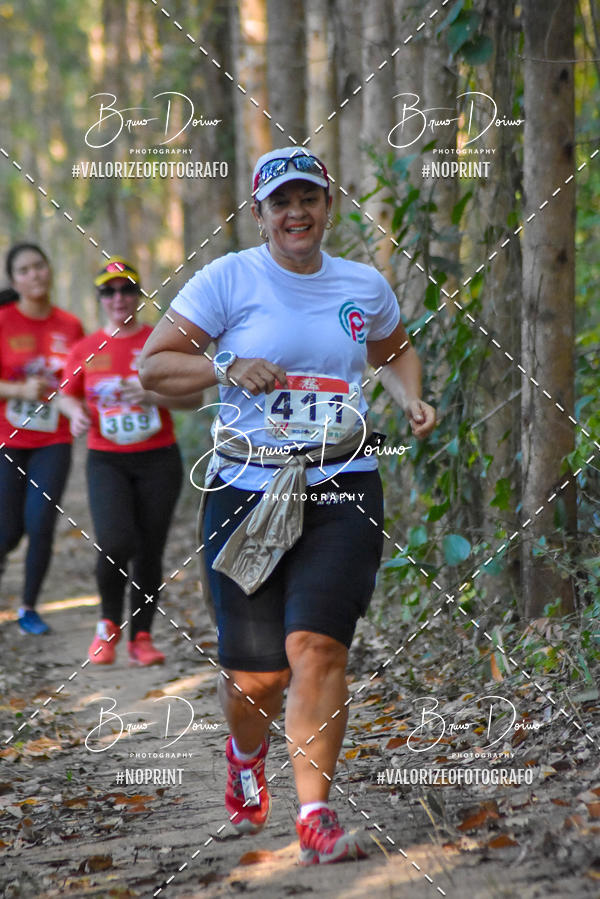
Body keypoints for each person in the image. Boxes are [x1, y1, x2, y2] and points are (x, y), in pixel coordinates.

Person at [138, 148, 436, 863]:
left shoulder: (362, 284)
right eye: (281, 202)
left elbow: (394, 350)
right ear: (259, 213)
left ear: (329, 205)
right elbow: (153, 366)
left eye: (308, 198)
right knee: (259, 674)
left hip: (343, 480)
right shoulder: (228, 279)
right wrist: (225, 366)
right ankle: (246, 754)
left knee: (318, 647)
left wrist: (410, 395)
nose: (296, 213)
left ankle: (314, 816)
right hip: (248, 489)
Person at [60, 257, 203, 666]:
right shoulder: (85, 348)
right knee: (116, 542)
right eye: (109, 291)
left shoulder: (158, 343)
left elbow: (194, 398)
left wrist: (152, 396)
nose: (118, 298)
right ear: (100, 298)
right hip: (107, 460)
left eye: (127, 289)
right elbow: (66, 395)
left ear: (139, 296)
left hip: (159, 459)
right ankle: (107, 625)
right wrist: (75, 414)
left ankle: (142, 636)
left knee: (150, 549)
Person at [0, 243, 84, 635]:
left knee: (41, 522)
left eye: (39, 266)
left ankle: (28, 608)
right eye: (24, 270)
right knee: (7, 530)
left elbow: (79, 382)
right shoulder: (4, 321)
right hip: (7, 438)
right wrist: (18, 391)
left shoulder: (70, 326)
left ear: (49, 270)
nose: (34, 274)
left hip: (53, 440)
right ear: (13, 280)